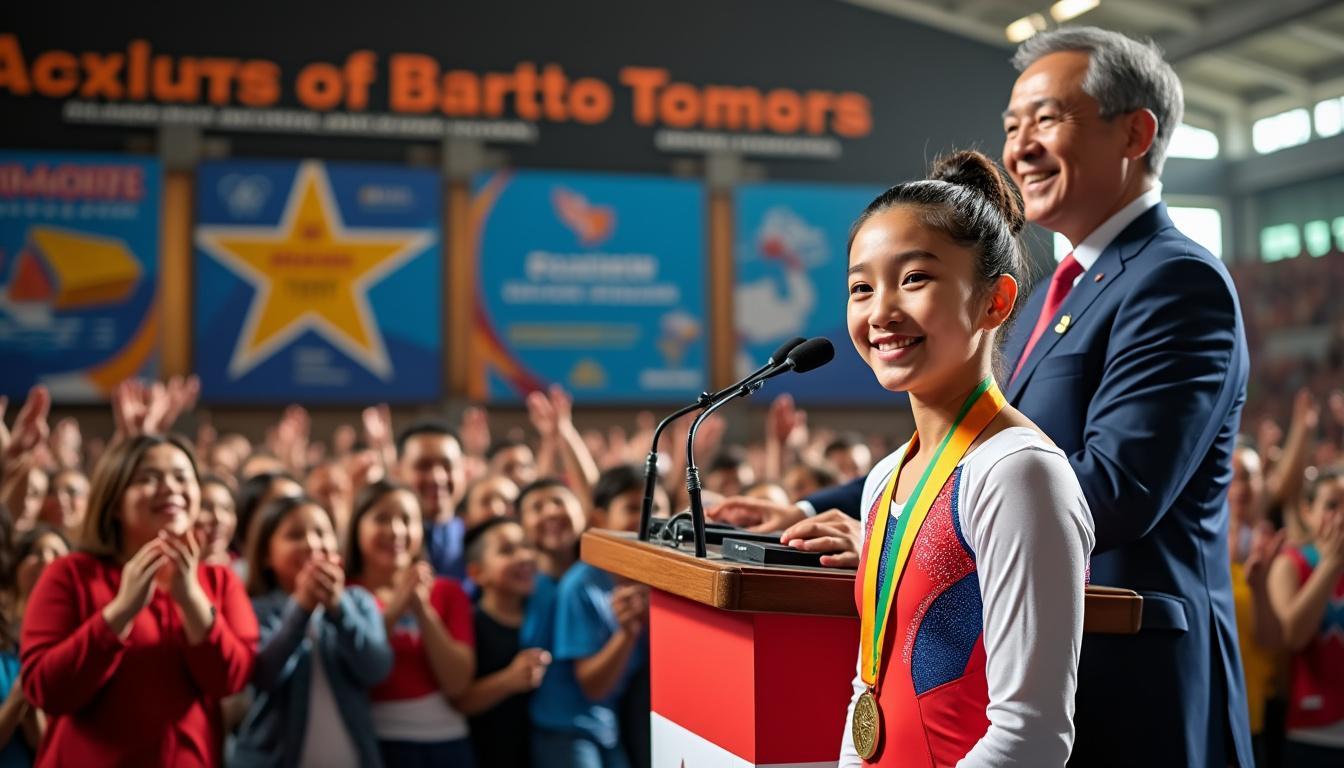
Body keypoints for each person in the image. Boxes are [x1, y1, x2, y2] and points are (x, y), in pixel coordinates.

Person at [1000, 28, 1252, 766]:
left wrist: (924, 529)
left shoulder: (1177, 281)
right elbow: (966, 449)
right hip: (1051, 673)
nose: (1020, 148)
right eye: (1012, 127)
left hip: (1140, 686)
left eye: (1047, 119)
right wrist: (815, 510)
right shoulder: (1048, 294)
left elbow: (1111, 490)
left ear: (1135, 132)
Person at [837, 151, 1093, 766]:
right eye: (862, 287)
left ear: (995, 303)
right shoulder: (884, 479)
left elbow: (1029, 738)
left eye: (914, 279)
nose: (881, 312)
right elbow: (864, 692)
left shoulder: (1019, 475)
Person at [21, 434, 258, 766]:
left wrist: (190, 597)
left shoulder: (219, 581)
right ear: (115, 501)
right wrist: (120, 612)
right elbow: (44, 689)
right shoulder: (70, 574)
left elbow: (230, 681)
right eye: (148, 478)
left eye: (181, 476)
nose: (170, 487)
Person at [234, 496, 393, 768]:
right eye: (295, 535)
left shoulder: (357, 601)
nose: (311, 543)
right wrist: (301, 608)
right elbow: (264, 675)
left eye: (321, 532)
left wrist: (339, 608)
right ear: (266, 555)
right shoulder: (254, 609)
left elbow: (376, 668)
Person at [345, 479, 477, 766]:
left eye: (407, 520)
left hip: (448, 743)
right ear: (357, 526)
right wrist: (396, 608)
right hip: (376, 743)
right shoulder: (343, 596)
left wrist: (422, 609)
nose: (396, 530)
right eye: (381, 518)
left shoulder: (449, 592)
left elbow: (457, 683)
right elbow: (355, 669)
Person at [530, 466, 655, 768]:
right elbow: (593, 686)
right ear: (599, 519)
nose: (649, 518)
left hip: (607, 728)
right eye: (633, 508)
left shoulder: (649, 579)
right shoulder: (579, 585)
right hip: (566, 732)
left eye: (657, 507)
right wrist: (626, 634)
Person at [457, 517, 551, 768]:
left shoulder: (543, 615)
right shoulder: (471, 624)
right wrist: (508, 680)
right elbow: (460, 700)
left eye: (526, 546)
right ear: (477, 573)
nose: (524, 557)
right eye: (507, 551)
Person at [1265, 469, 1344, 765]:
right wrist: (1331, 565)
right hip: (1310, 731)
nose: (1341, 517)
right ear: (1307, 511)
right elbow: (1293, 636)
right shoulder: (1292, 563)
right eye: (1332, 506)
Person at [395, 421, 469, 580]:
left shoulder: (479, 541)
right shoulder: (387, 543)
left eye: (447, 466)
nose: (437, 478)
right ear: (397, 472)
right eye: (423, 466)